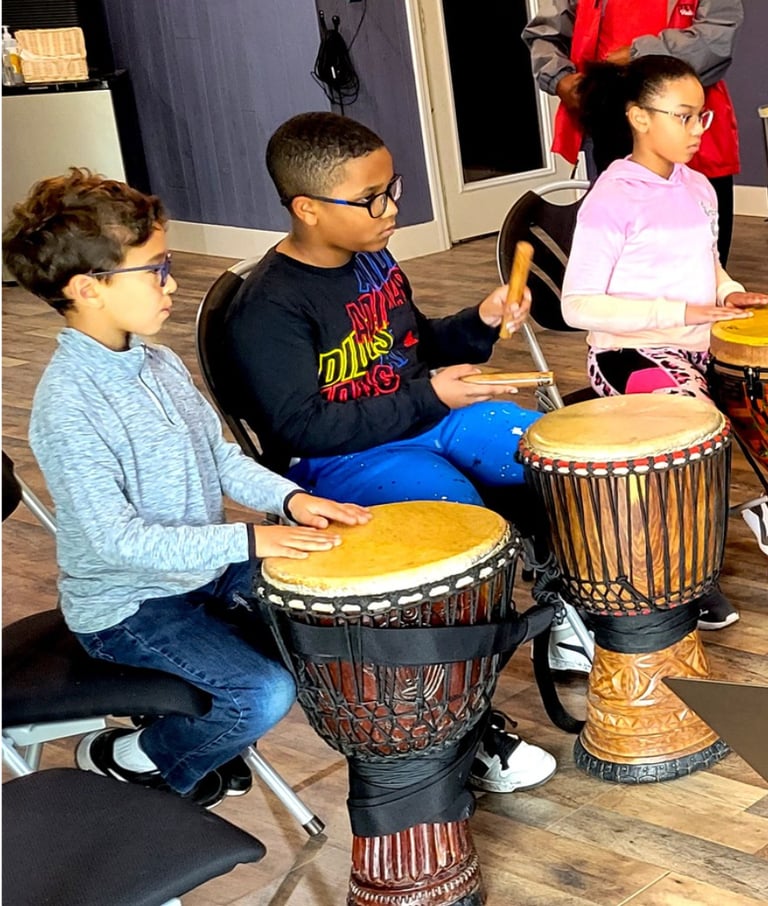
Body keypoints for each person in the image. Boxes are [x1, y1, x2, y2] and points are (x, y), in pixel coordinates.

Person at [2, 168, 371, 808]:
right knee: (262, 693)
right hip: (129, 607)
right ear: (88, 288)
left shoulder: (158, 362)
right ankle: (135, 756)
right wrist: (250, 539)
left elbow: (220, 457)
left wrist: (289, 499)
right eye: (154, 268)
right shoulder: (67, 409)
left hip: (202, 569)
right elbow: (118, 544)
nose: (171, 282)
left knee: (333, 601)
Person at [221, 110, 565, 794]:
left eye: (393, 188)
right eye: (372, 198)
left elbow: (416, 349)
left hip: (415, 418)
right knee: (455, 510)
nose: (391, 210)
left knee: (542, 447)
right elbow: (304, 431)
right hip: (338, 460)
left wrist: (479, 321)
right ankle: (467, 722)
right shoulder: (269, 308)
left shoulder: (373, 259)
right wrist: (431, 399)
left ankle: (565, 612)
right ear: (309, 209)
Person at [560, 55, 768, 623]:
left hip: (702, 344)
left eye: (702, 117)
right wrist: (681, 309)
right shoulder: (611, 198)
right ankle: (686, 573)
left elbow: (708, 264)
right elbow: (575, 305)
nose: (698, 130)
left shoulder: (699, 187)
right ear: (638, 117)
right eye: (683, 116)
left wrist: (729, 293)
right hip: (629, 352)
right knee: (700, 429)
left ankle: (752, 516)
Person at [522, 0, 743, 264]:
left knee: (702, 256)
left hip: (687, 129)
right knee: (618, 253)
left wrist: (639, 55)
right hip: (608, 127)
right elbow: (546, 32)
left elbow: (716, 38)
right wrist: (559, 78)